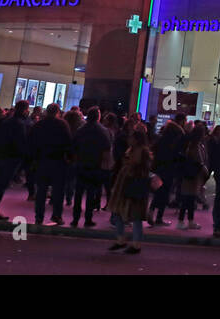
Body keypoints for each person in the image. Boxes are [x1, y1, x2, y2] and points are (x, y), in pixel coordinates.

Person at [107, 126, 153, 254]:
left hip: (133, 185)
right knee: (120, 213)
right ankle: (122, 240)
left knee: (135, 215)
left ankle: (135, 243)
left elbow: (142, 169)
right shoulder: (134, 150)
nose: (129, 140)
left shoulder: (141, 152)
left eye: (132, 138)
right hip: (126, 184)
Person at [30, 102, 73, 226]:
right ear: (57, 112)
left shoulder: (39, 125)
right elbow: (68, 142)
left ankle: (39, 217)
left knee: (41, 191)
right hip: (58, 161)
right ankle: (56, 215)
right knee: (58, 191)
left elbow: (31, 142)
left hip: (42, 160)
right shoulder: (62, 124)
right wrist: (69, 158)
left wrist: (33, 159)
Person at [0, 101, 30, 220]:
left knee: (0, 184)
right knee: (2, 184)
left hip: (2, 155)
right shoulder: (20, 124)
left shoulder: (6, 121)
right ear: (25, 110)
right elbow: (21, 142)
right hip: (12, 157)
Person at [71, 106, 112, 227]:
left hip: (81, 164)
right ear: (98, 116)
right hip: (95, 165)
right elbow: (107, 150)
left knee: (78, 193)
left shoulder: (81, 129)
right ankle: (88, 218)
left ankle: (75, 218)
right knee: (91, 193)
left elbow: (74, 146)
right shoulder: (103, 131)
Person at [148, 114, 186, 227]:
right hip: (169, 170)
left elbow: (153, 151)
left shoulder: (161, 140)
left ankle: (151, 210)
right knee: (165, 193)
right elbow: (178, 156)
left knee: (159, 191)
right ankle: (159, 217)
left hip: (159, 169)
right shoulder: (175, 141)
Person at [176, 125, 208, 230]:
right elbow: (197, 160)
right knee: (187, 199)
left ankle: (189, 221)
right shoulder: (194, 146)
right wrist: (203, 167)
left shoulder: (195, 144)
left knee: (190, 199)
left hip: (193, 175)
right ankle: (182, 221)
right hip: (191, 175)